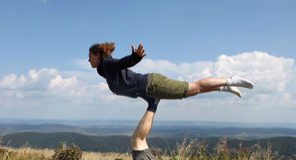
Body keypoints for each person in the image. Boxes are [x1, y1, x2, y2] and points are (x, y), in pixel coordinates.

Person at [88, 42, 254, 112]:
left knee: (193, 87)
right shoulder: (105, 70)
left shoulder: (108, 64)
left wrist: (135, 57)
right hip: (148, 91)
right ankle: (223, 87)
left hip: (151, 84)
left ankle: (231, 79)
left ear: (98, 55)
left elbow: (122, 63)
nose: (88, 60)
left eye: (90, 56)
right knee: (192, 92)